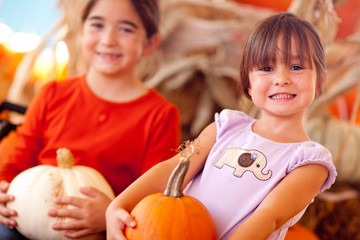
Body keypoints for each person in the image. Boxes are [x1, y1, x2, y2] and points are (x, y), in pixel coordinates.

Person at [105, 12, 337, 240]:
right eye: (266, 68)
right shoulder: (226, 127)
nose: (281, 78)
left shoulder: (309, 161)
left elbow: (268, 217)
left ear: (320, 80)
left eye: (297, 67)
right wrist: (117, 206)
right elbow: (172, 168)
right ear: (247, 83)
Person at [0, 0, 180, 239]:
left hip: (98, 231)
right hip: (26, 222)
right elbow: (14, 166)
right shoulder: (52, 94)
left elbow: (154, 197)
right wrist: (2, 190)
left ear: (150, 43)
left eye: (126, 29)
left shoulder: (160, 115)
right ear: (81, 31)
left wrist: (110, 211)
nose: (108, 40)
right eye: (97, 25)